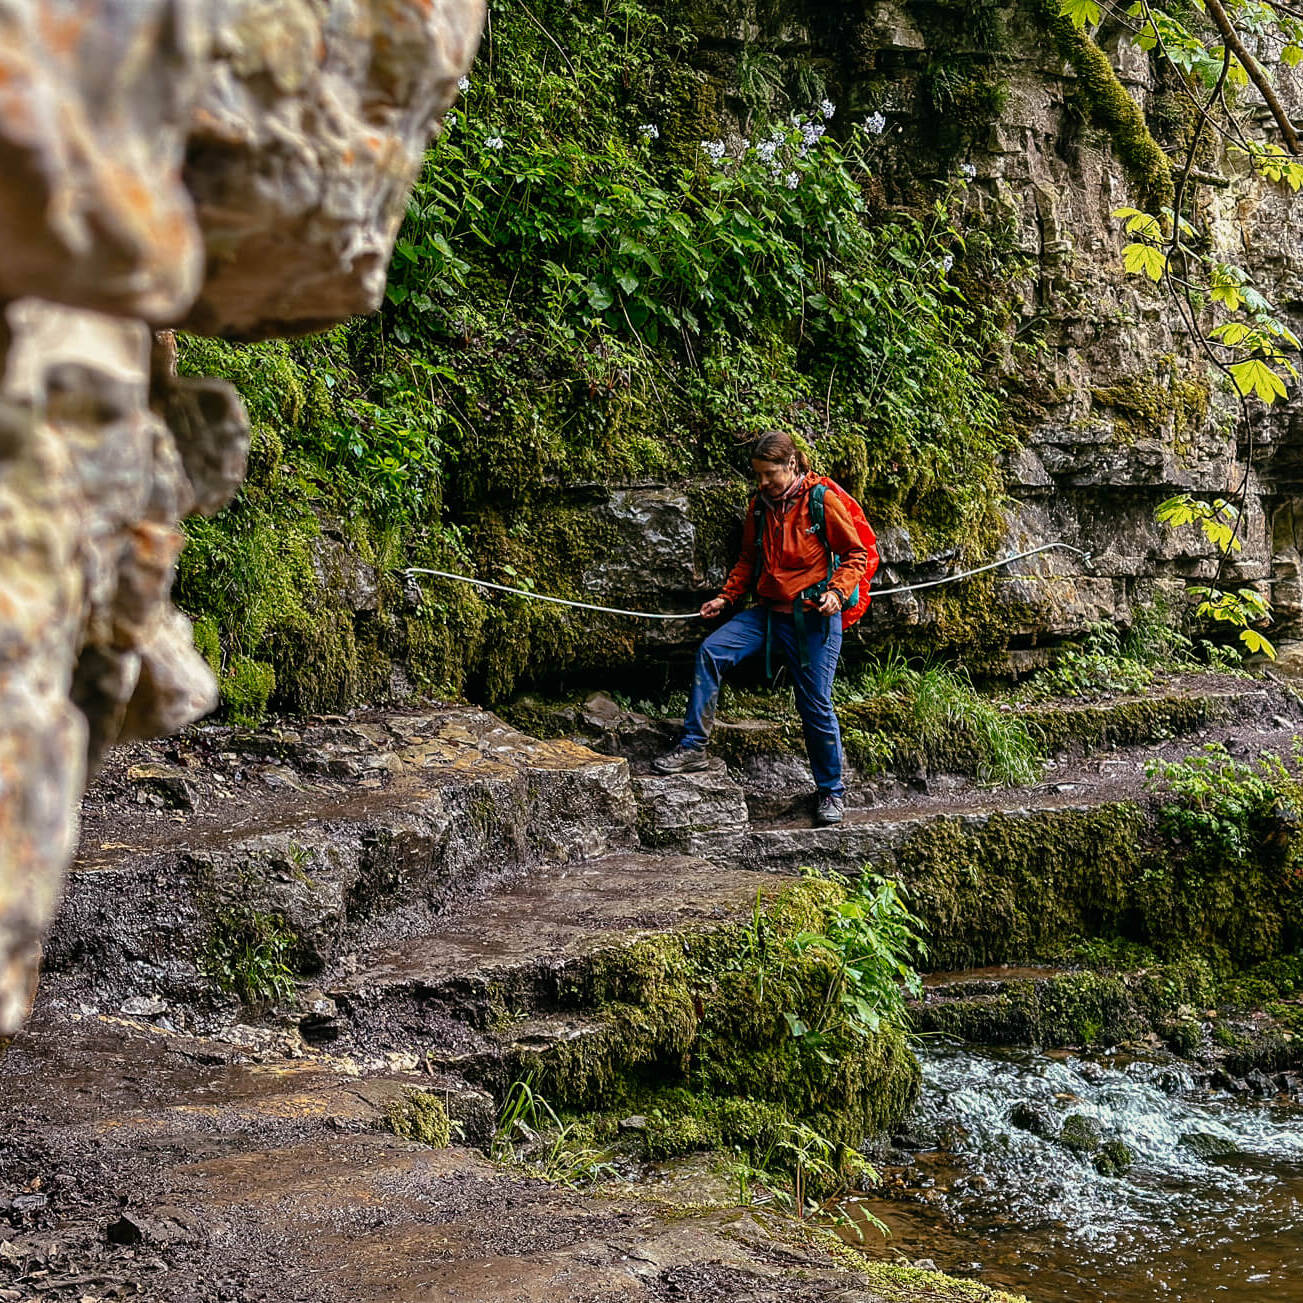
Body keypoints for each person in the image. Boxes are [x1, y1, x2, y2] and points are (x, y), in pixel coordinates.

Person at [653, 431, 878, 825]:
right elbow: (747, 558)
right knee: (712, 651)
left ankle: (831, 792)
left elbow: (855, 553)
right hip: (769, 613)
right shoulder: (759, 507)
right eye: (757, 475)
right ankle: (693, 746)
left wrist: (838, 594)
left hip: (813, 617)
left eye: (769, 474)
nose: (762, 483)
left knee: (815, 704)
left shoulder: (820, 501)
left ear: (791, 465)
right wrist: (726, 598)